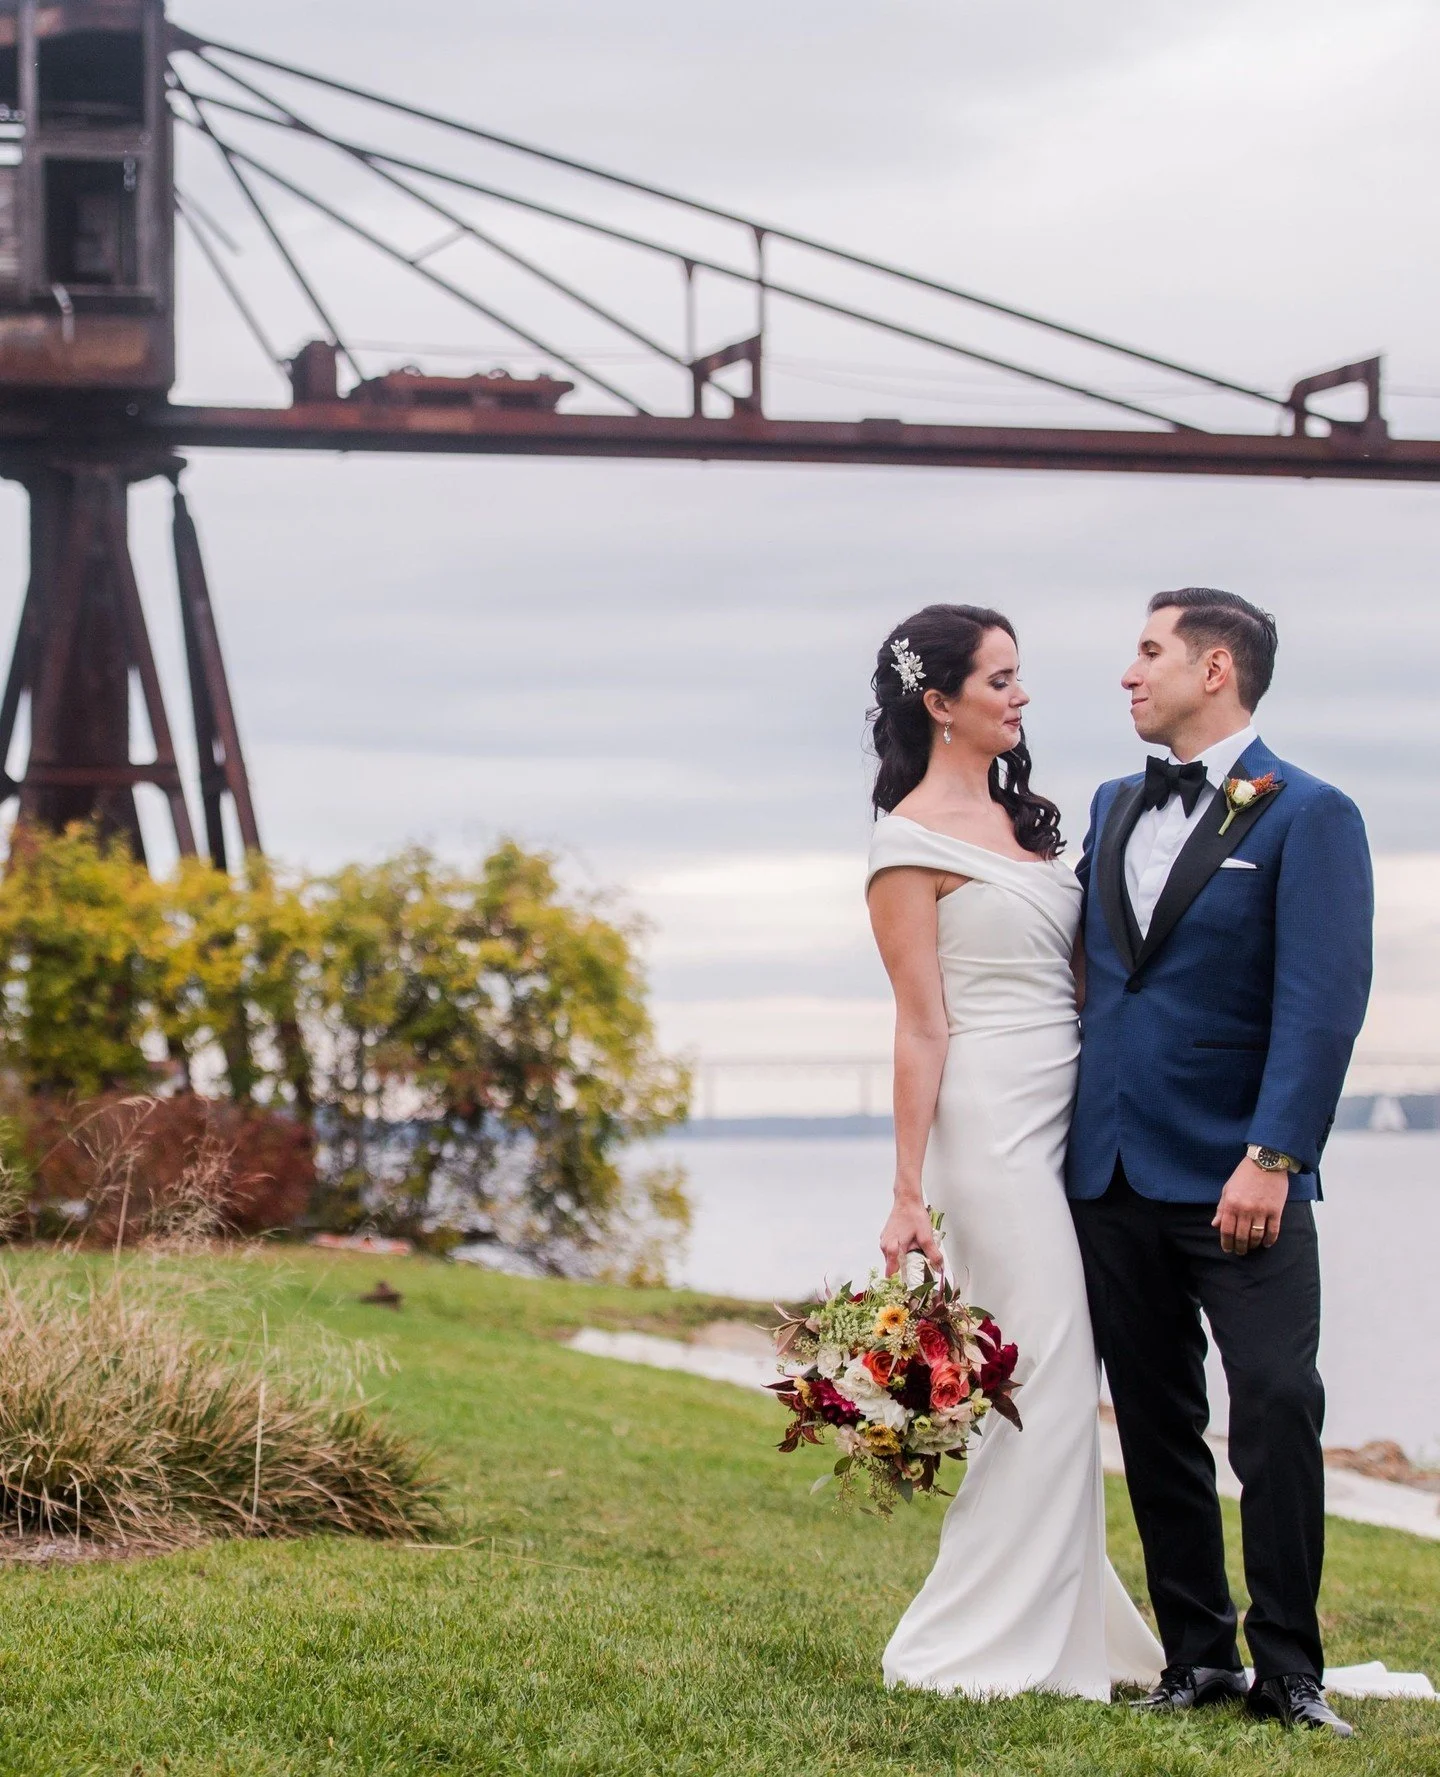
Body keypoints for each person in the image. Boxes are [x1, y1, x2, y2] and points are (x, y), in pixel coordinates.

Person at [1066, 588, 1372, 1738]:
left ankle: (1291, 1670)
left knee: (1280, 1404)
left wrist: (1275, 1153)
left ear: (1218, 666)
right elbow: (1106, 983)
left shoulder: (1312, 815)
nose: (1129, 673)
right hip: (1110, 1171)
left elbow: (1322, 1003)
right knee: (1151, 1415)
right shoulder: (1106, 803)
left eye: (1149, 652)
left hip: (1244, 1177)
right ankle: (1197, 1655)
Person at [866, 603, 1164, 1700]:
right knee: (1036, 1368)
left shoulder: (1030, 825)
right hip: (989, 1121)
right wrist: (906, 1193)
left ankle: (1063, 1621)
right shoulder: (903, 845)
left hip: (1073, 1108)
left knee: (1056, 1372)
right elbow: (919, 1023)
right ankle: (977, 1637)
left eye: (1019, 675)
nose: (1020, 695)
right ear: (939, 702)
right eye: (999, 679)